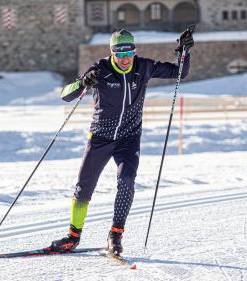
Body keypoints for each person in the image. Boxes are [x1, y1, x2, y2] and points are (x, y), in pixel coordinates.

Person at [49, 28, 194, 255]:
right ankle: (73, 236)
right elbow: (65, 95)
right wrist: (83, 83)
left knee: (127, 180)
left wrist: (183, 52)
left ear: (134, 51)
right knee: (84, 186)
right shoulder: (100, 70)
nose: (125, 58)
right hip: (100, 137)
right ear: (112, 53)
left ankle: (115, 235)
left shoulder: (143, 67)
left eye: (129, 53)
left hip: (129, 138)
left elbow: (179, 73)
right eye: (119, 54)